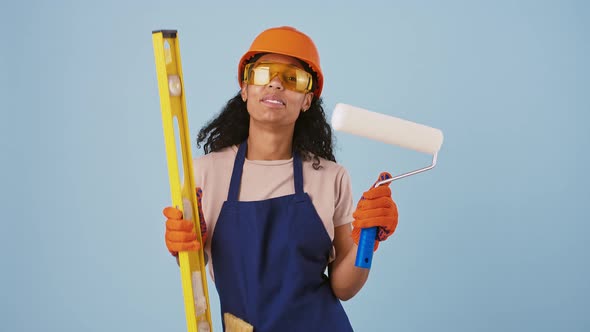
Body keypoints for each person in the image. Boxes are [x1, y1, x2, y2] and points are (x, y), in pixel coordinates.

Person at [163, 26, 399, 331]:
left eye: (292, 78)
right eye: (263, 73)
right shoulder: (206, 173)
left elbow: (343, 288)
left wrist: (367, 239)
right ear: (245, 89)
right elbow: (194, 273)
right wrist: (183, 247)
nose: (275, 84)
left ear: (306, 100)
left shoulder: (331, 177)